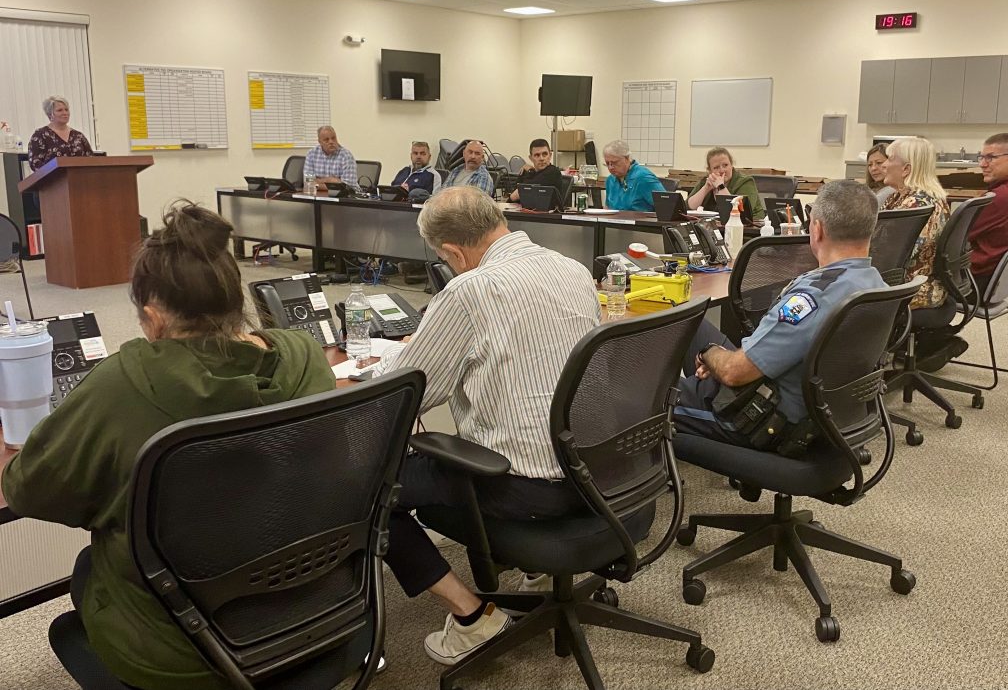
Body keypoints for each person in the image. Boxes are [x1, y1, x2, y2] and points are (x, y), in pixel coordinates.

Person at [0, 202, 336, 690]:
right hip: (315, 597)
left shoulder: (124, 384)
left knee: (86, 577)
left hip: (186, 653)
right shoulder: (304, 355)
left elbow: (29, 491)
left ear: (153, 317)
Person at [372, 186, 600, 665]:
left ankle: (473, 618)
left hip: (521, 485)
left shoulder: (469, 289)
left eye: (446, 258)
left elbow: (407, 390)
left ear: (454, 251)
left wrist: (399, 351)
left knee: (367, 487)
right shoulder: (573, 270)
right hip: (593, 472)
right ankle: (538, 570)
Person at [672, 180, 885, 448]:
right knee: (690, 322)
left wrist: (708, 354)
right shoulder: (876, 283)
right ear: (871, 230)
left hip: (760, 418)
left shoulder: (812, 297)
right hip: (821, 412)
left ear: (816, 230)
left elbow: (733, 373)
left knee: (644, 403)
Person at [881, 137, 950, 311]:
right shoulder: (905, 196)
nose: (884, 165)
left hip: (911, 287)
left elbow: (888, 255)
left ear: (906, 169)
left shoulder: (915, 204)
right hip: (914, 282)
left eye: (889, 159)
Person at [968, 132, 1008, 297]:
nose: (982, 164)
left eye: (991, 158)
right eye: (982, 157)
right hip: (1004, 283)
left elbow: (954, 237)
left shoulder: (999, 198)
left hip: (978, 282)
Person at [686, 147, 766, 221]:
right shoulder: (706, 181)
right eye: (716, 167)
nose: (722, 170)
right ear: (710, 170)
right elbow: (689, 207)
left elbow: (739, 212)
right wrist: (705, 189)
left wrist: (721, 186)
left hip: (748, 229)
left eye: (725, 165)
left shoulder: (746, 182)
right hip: (717, 228)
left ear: (731, 165)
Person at [28, 95, 94, 170]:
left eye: (66, 109)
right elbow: (35, 164)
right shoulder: (40, 135)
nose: (65, 113)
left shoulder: (78, 136)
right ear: (50, 114)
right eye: (60, 110)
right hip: (53, 180)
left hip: (80, 179)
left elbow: (90, 159)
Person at [602, 139, 663, 212]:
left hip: (640, 221)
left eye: (614, 163)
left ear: (627, 158)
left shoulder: (643, 177)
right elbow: (608, 208)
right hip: (616, 221)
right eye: (607, 163)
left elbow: (666, 206)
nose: (610, 167)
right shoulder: (610, 180)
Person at [509, 138, 563, 202]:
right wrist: (529, 172)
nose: (541, 158)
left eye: (545, 154)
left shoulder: (553, 172)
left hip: (547, 211)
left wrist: (512, 197)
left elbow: (520, 192)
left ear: (550, 155)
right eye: (537, 155)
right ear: (531, 158)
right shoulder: (529, 172)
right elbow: (515, 193)